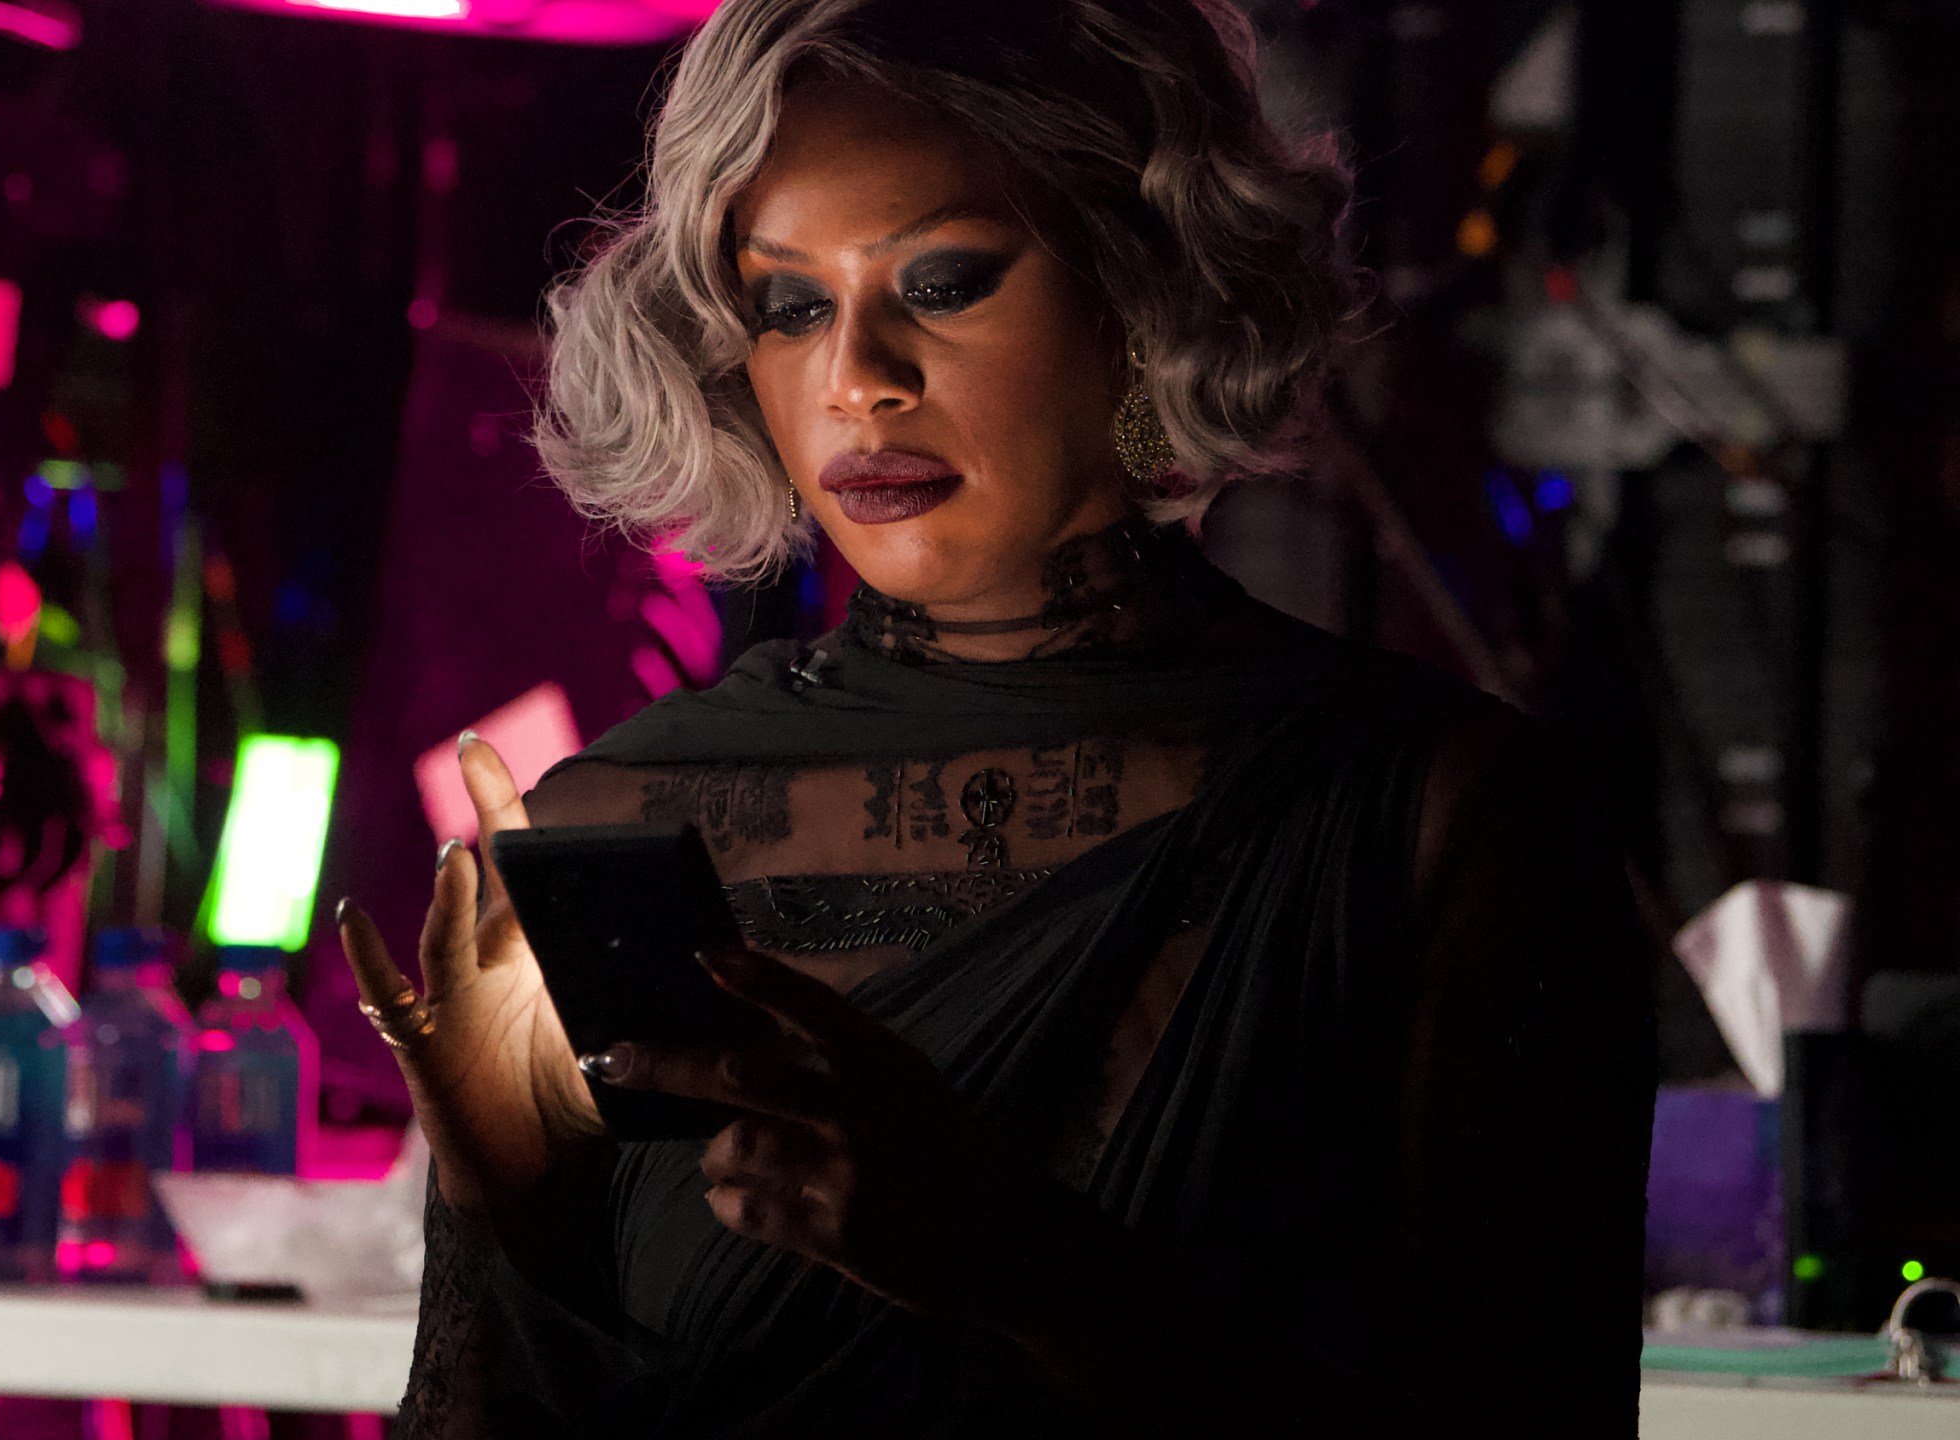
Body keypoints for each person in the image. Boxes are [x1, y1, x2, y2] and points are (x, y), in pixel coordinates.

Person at [336, 0, 1654, 1433]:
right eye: (789, 304)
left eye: (945, 280)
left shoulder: (1440, 821)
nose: (857, 378)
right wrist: (493, 1209)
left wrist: (1017, 1258)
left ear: (1148, 290)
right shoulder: (626, 816)